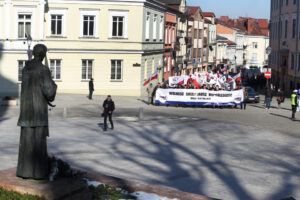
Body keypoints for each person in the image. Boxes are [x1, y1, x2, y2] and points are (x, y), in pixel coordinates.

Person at [17, 44, 57, 179]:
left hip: (26, 112)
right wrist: (54, 84)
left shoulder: (25, 69)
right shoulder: (44, 70)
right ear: (43, 55)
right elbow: (49, 92)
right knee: (38, 143)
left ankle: (24, 172)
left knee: (26, 143)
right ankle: (38, 173)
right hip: (38, 112)